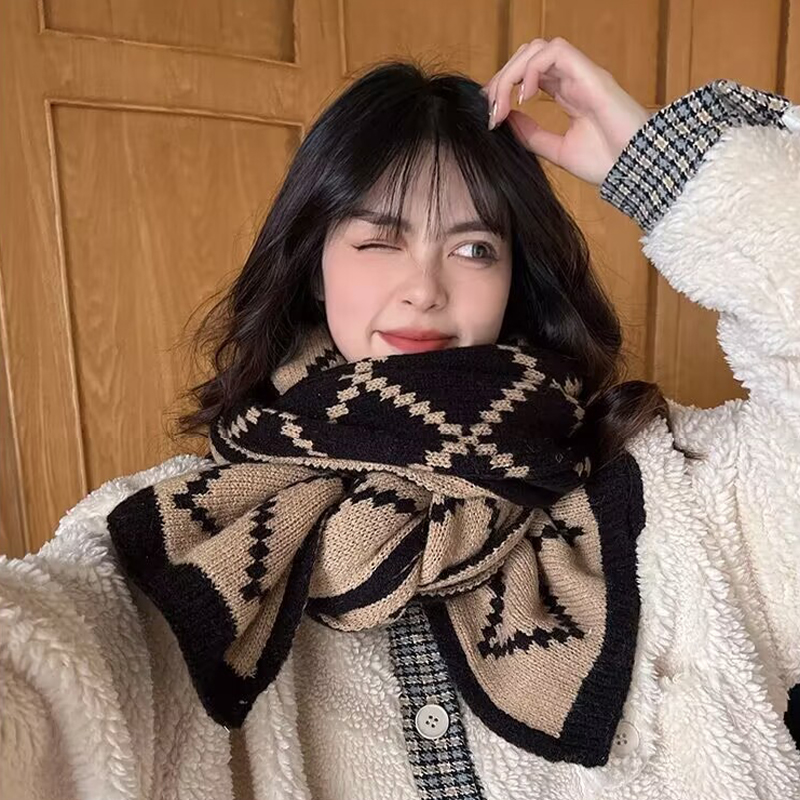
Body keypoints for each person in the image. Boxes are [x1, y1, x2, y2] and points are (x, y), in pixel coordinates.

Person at [1, 35, 799, 800]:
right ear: (315, 267)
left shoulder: (672, 485)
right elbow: (40, 660)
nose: (424, 288)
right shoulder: (185, 529)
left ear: (516, 276)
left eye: (474, 248)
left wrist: (670, 166)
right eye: (380, 240)